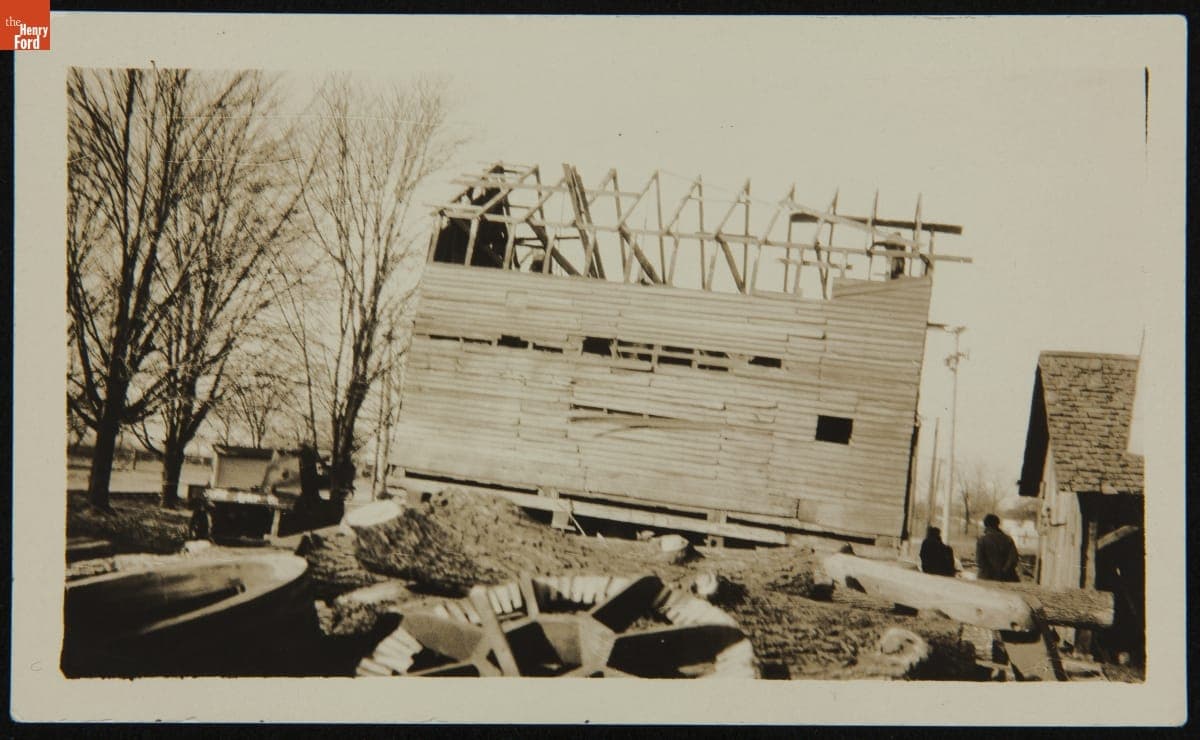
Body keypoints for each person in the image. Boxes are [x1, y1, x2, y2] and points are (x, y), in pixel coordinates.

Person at [975, 514, 1020, 581]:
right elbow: (1013, 559)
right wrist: (1003, 571)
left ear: (985, 525)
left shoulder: (982, 540)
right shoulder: (1008, 539)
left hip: (987, 578)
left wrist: (993, 573)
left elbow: (980, 561)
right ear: (998, 524)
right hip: (1008, 578)